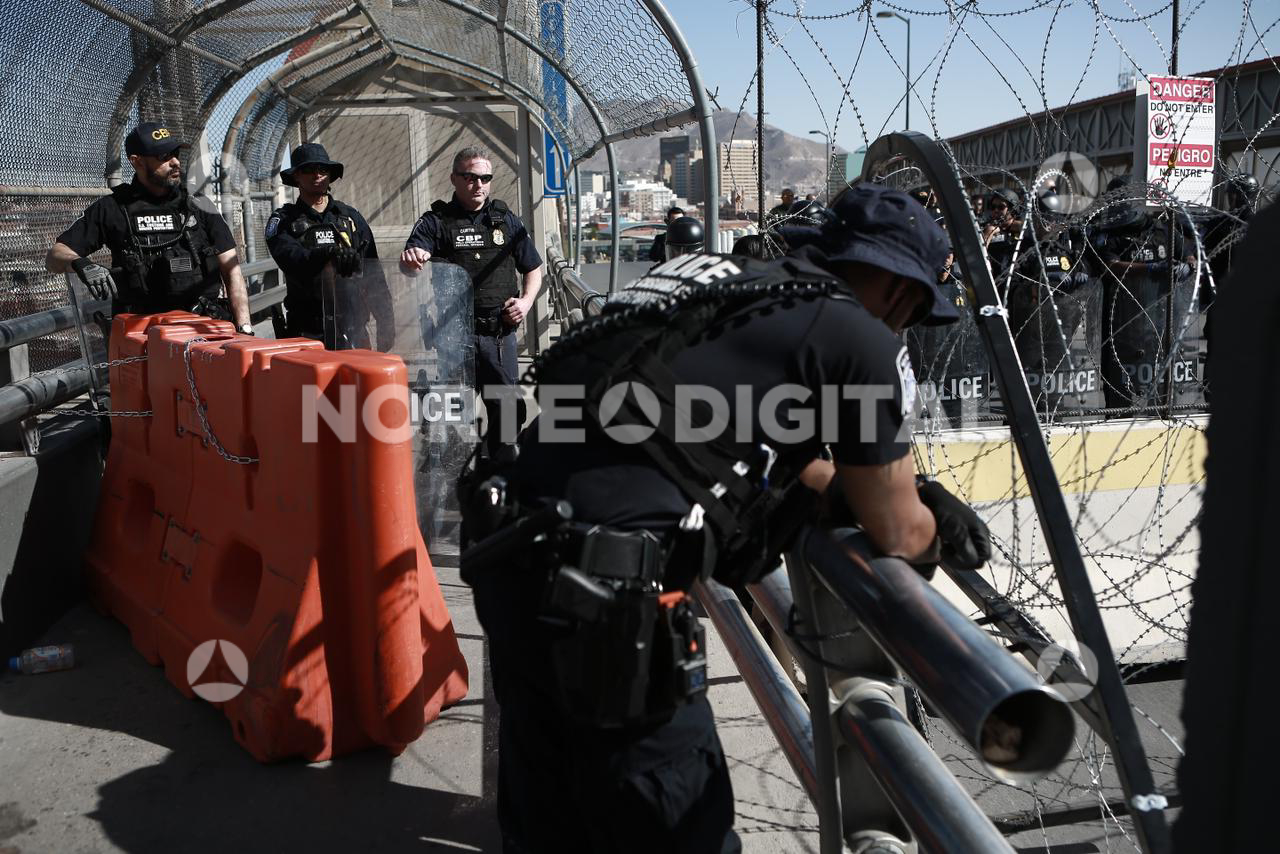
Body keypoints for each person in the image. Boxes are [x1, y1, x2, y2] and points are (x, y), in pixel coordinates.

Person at [462, 182, 992, 853]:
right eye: (913, 311)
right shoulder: (858, 335)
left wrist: (855, 490)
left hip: (516, 553)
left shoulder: (727, 283)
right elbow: (896, 532)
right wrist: (926, 514)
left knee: (550, 822)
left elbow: (700, 434)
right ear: (896, 287)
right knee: (680, 826)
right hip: (607, 608)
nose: (904, 327)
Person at [400, 147, 543, 458]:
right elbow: (410, 258)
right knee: (451, 415)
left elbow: (533, 268)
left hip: (498, 335)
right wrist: (413, 257)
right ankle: (453, 479)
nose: (479, 184)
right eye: (470, 177)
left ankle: (498, 473)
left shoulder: (506, 221)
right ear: (454, 179)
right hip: (455, 337)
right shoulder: (436, 222)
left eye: (485, 178)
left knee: (508, 414)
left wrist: (527, 302)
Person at [45, 121, 251, 333]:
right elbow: (55, 256)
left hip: (205, 330)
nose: (175, 162)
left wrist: (244, 328)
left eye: (175, 153)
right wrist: (81, 264)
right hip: (143, 337)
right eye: (163, 156)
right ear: (137, 161)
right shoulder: (113, 208)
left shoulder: (200, 206)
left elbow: (232, 270)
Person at [265, 143, 380, 343]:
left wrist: (386, 322)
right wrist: (328, 255)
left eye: (322, 169)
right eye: (308, 170)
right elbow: (291, 259)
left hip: (353, 329)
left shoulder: (350, 217)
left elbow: (374, 274)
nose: (317, 175)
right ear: (296, 176)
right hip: (306, 332)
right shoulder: (283, 220)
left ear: (330, 175)